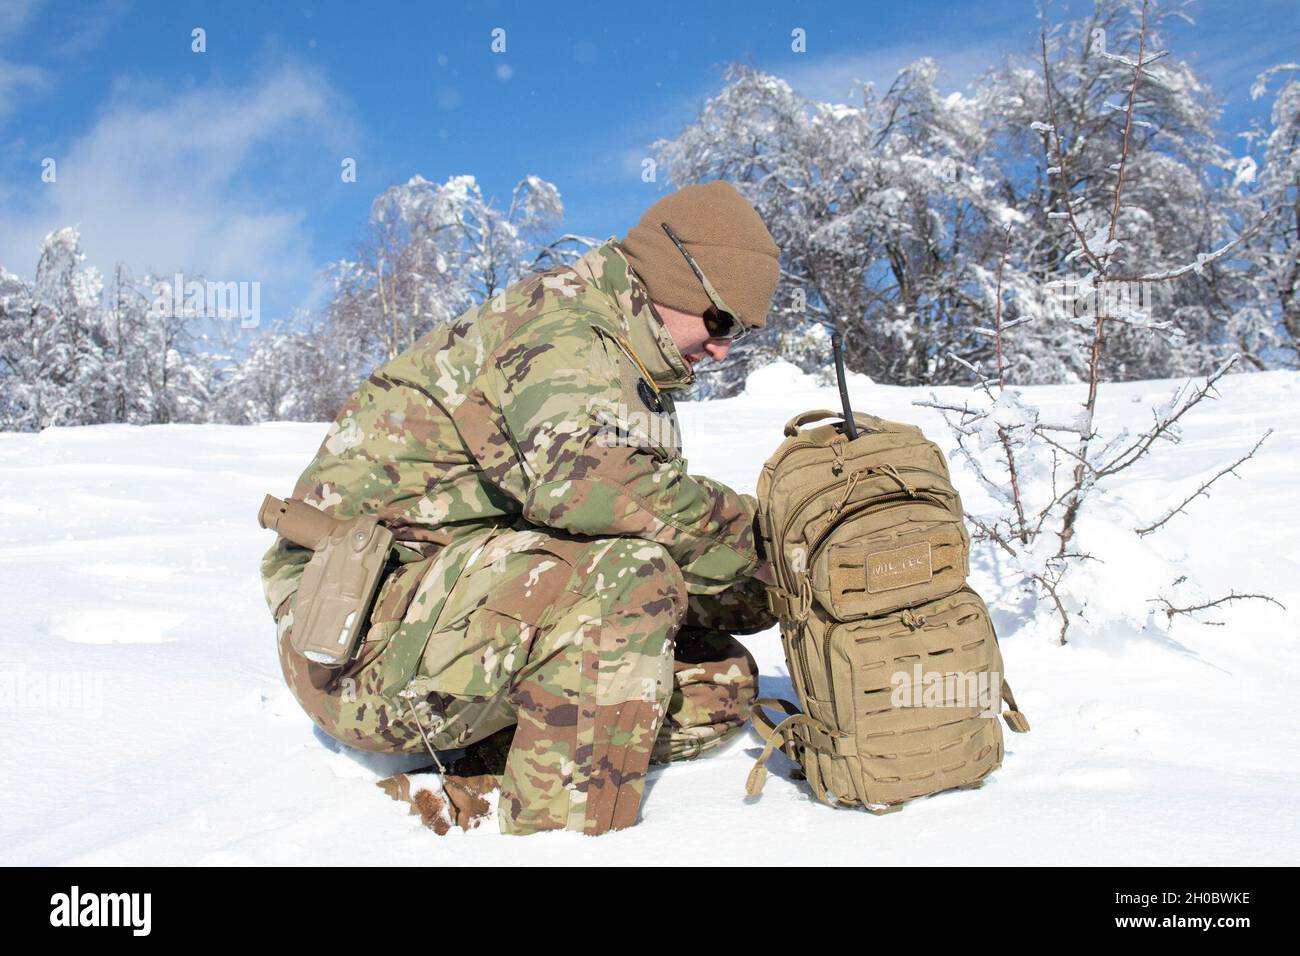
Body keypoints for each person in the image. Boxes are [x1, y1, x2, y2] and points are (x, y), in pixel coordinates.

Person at [259, 180, 782, 836]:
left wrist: (774, 582)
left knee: (719, 683)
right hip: (353, 650)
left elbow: (652, 526)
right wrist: (759, 541)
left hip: (455, 623)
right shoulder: (558, 326)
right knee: (628, 578)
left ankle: (491, 763)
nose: (723, 349)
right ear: (677, 277)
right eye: (720, 320)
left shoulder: (627, 365)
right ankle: (559, 837)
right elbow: (594, 487)